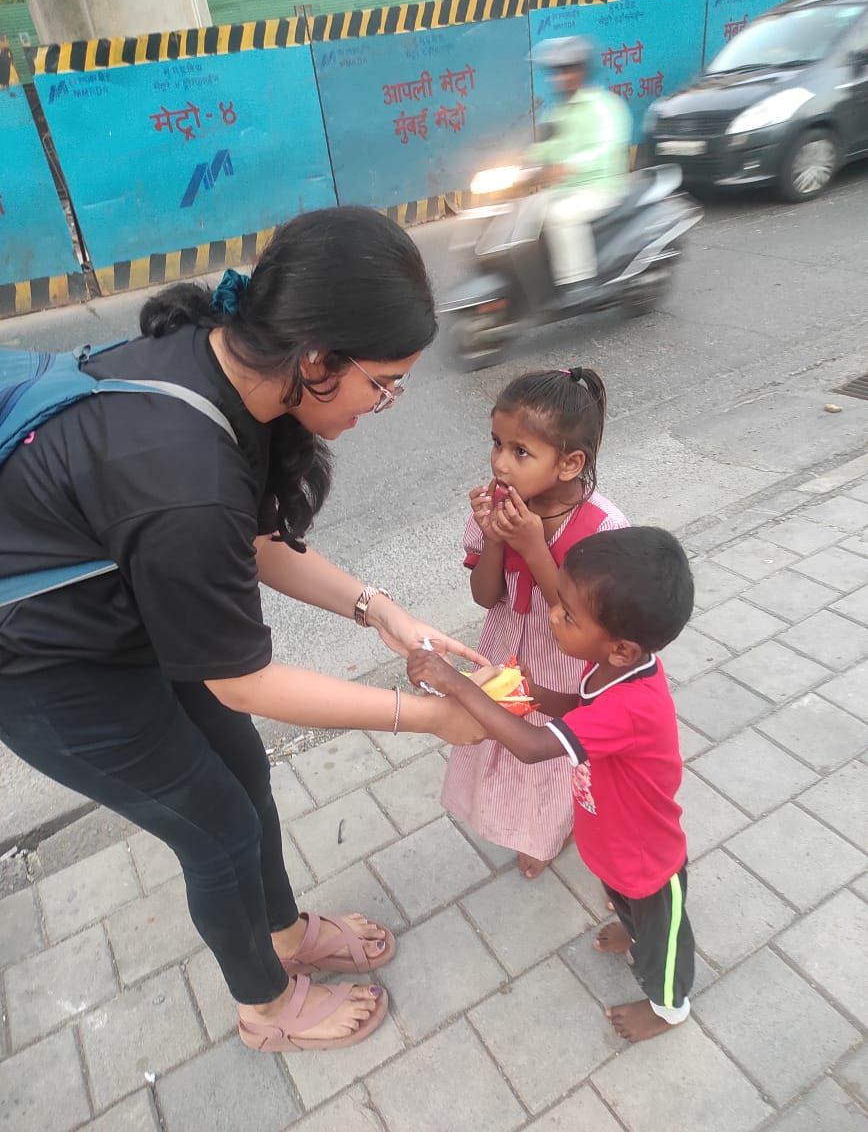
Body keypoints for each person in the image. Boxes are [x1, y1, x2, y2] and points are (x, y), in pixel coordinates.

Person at [0, 206, 487, 1054]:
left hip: (132, 612)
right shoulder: (180, 477)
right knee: (216, 826)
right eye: (384, 383)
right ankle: (265, 1008)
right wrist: (428, 718)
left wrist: (382, 611)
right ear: (318, 359)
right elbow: (244, 680)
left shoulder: (225, 369)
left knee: (242, 768)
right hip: (47, 674)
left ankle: (285, 934)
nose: (387, 402)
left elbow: (253, 542)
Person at [410, 526, 696, 1043]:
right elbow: (578, 708)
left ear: (622, 648)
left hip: (647, 859)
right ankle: (634, 932)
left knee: (664, 941)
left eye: (567, 615)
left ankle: (669, 1007)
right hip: (611, 842)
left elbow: (533, 747)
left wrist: (455, 685)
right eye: (559, 603)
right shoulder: (610, 668)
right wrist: (525, 690)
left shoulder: (634, 704)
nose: (552, 615)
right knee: (625, 905)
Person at [440, 367, 627, 877]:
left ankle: (550, 830)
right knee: (503, 747)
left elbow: (581, 620)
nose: (500, 463)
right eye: (496, 443)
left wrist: (532, 546)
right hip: (507, 655)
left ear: (570, 463)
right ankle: (521, 823)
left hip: (561, 672)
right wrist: (494, 539)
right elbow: (486, 596)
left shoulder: (604, 531)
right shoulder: (504, 510)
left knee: (551, 762)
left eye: (521, 452)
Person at [526, 36, 632, 290]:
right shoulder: (557, 111)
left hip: (600, 187)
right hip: (565, 189)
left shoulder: (603, 105)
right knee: (523, 213)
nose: (561, 77)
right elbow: (545, 147)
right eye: (557, 71)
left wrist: (570, 166)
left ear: (582, 70)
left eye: (567, 69)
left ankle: (577, 283)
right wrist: (523, 164)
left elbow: (608, 146)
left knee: (561, 215)